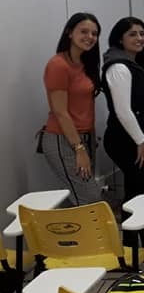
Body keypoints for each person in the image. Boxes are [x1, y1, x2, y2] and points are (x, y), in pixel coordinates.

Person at [102, 17, 144, 259]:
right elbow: (123, 111)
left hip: (135, 139)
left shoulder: (132, 64)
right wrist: (141, 142)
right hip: (127, 141)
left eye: (142, 33)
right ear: (120, 39)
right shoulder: (119, 67)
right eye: (132, 34)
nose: (139, 38)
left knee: (136, 193)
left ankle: (132, 249)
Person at [40, 13, 102, 205]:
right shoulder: (58, 65)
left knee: (76, 195)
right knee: (90, 198)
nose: (90, 37)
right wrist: (79, 148)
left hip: (85, 137)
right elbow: (60, 112)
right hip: (64, 140)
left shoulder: (86, 63)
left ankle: (67, 226)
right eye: (84, 31)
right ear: (69, 33)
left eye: (94, 33)